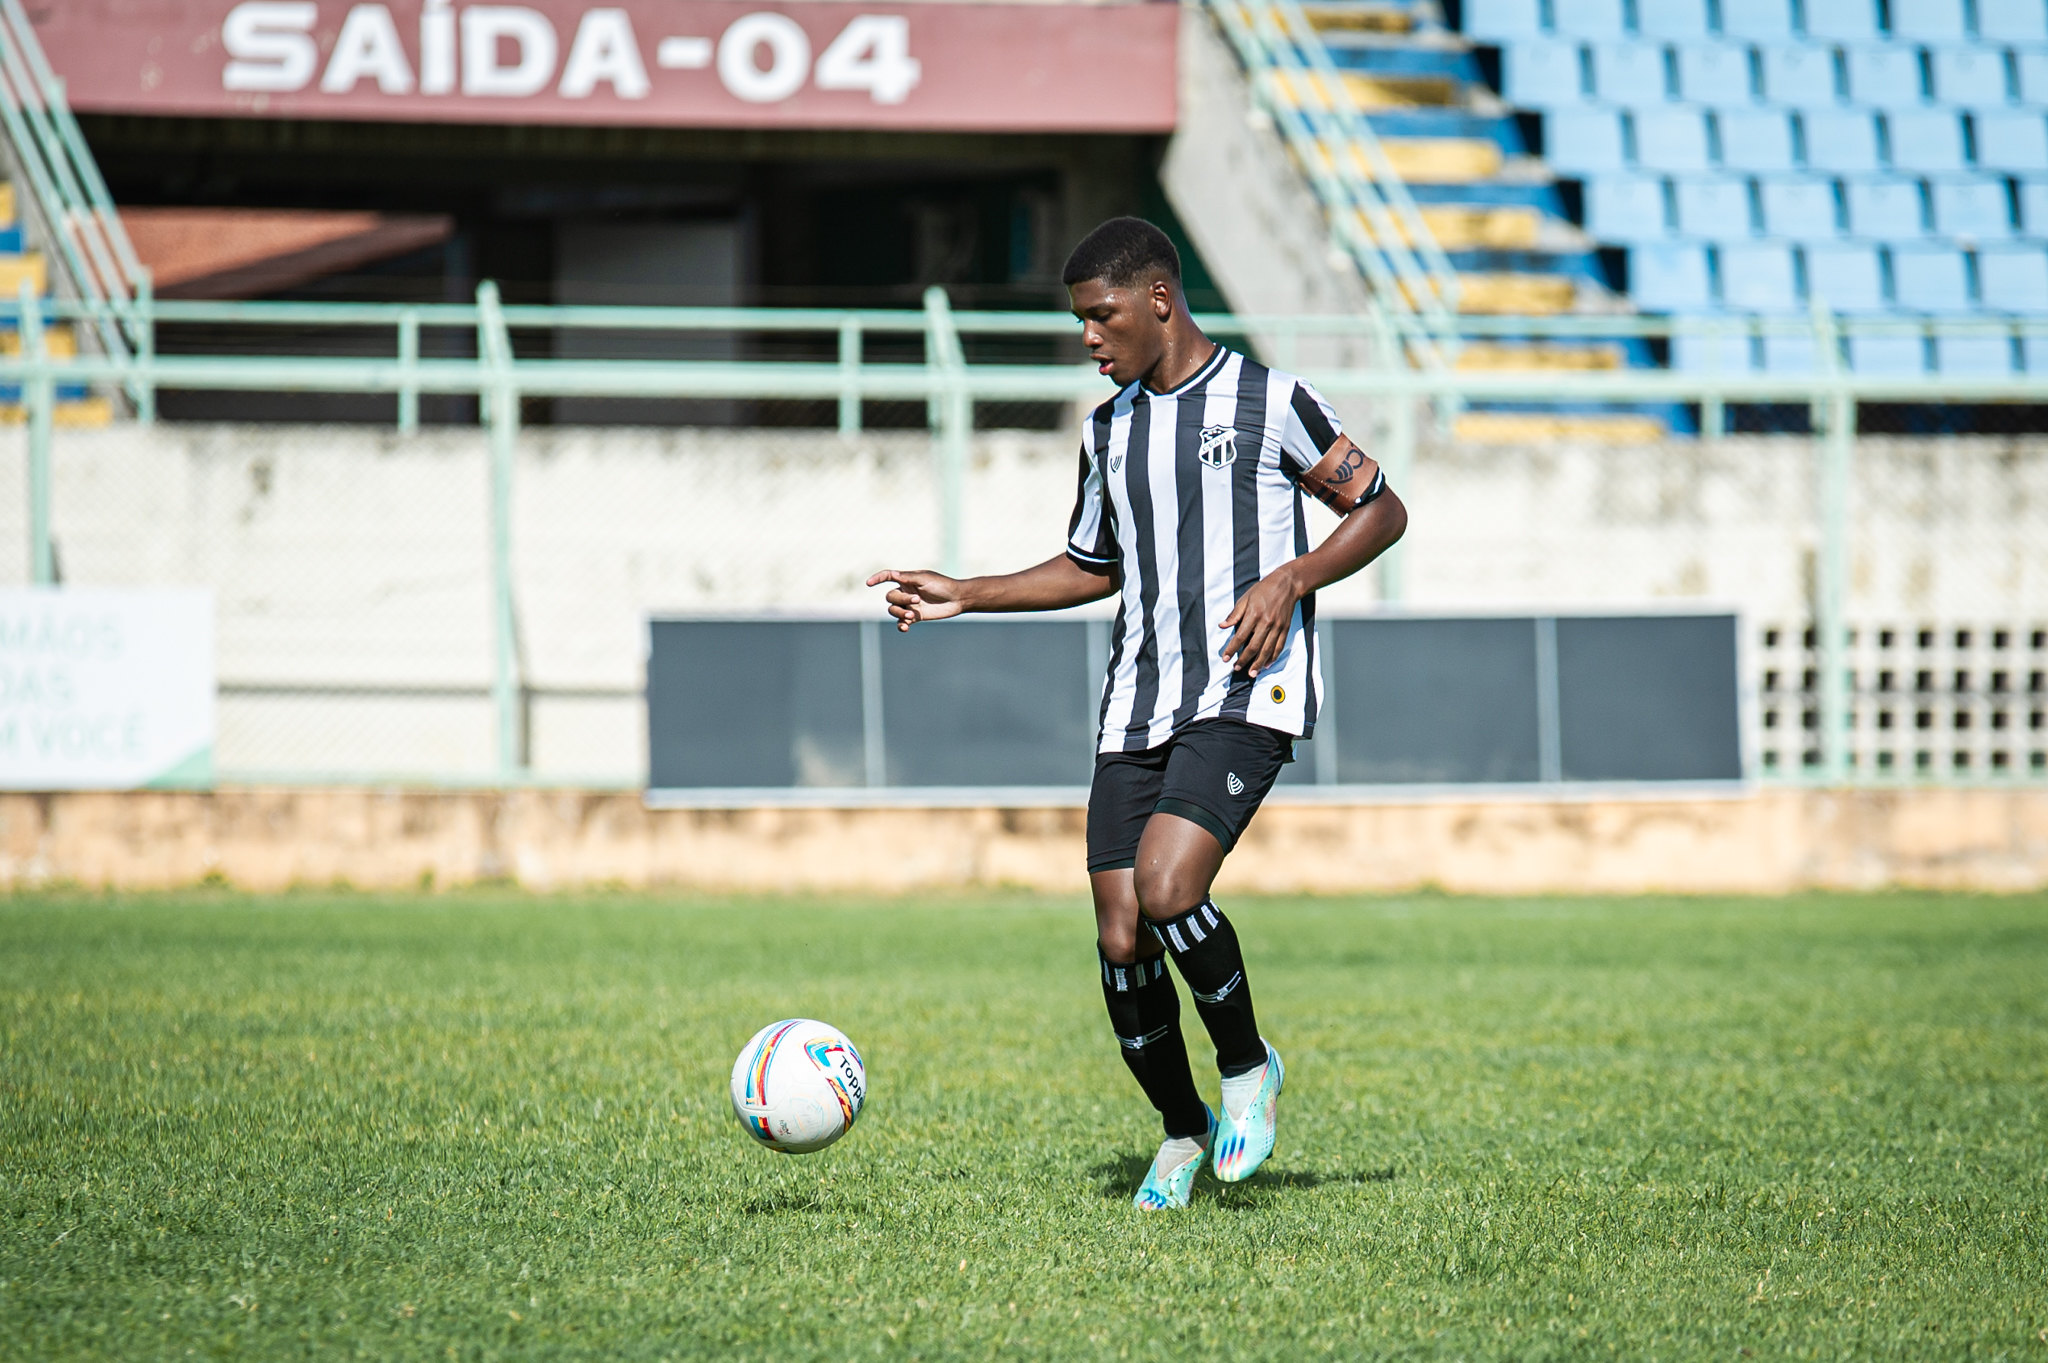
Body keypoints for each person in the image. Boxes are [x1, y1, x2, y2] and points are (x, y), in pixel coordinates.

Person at [867, 217, 1407, 1210]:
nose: (1087, 336)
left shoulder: (1267, 401)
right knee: (1120, 936)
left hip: (1245, 689)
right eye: (1079, 319)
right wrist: (967, 591)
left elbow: (1379, 508)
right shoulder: (1107, 428)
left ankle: (1247, 1066)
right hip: (1135, 702)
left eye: (1099, 314)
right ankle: (1179, 1130)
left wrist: (1289, 577)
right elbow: (1090, 564)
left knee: (1166, 885)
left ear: (1158, 298)